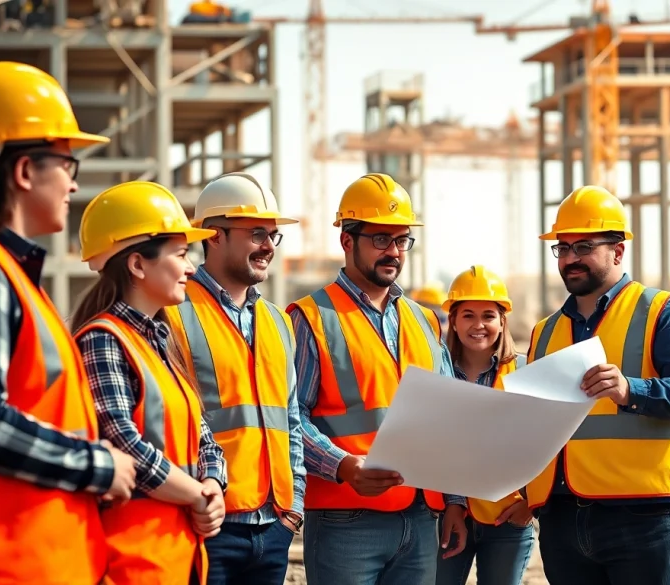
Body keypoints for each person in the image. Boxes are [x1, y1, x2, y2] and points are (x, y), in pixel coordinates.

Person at [0, 61, 137, 584]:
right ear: (25, 171)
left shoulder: (3, 271)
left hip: (32, 558)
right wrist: (100, 466)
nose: (74, 183)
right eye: (67, 164)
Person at [524, 185, 670, 585]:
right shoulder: (544, 332)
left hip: (643, 518)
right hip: (562, 520)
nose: (571, 258)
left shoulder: (663, 311)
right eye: (563, 248)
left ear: (618, 251)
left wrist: (632, 391)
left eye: (584, 246)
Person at [287, 172, 469, 585]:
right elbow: (290, 417)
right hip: (346, 521)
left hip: (421, 519)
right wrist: (344, 466)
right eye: (381, 239)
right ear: (347, 241)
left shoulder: (423, 320)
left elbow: (449, 413)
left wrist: (455, 500)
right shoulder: (311, 318)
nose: (394, 251)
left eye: (402, 240)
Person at [71, 181, 228, 585]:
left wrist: (212, 483)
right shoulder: (103, 340)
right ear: (138, 265)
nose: (192, 268)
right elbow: (121, 441)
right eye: (181, 254)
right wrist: (196, 494)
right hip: (129, 563)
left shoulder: (159, 341)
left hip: (178, 558)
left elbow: (202, 433)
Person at [161, 172, 306, 585]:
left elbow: (290, 420)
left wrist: (293, 507)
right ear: (213, 235)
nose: (267, 247)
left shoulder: (278, 321)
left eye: (273, 236)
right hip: (208, 524)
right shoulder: (174, 313)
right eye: (256, 232)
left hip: (274, 525)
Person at [436, 265, 535, 585]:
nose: (479, 325)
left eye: (488, 315)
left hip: (508, 520)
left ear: (503, 321)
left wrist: (530, 505)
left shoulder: (525, 371)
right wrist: (453, 505)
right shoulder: (437, 372)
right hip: (445, 518)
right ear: (453, 320)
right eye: (468, 315)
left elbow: (549, 441)